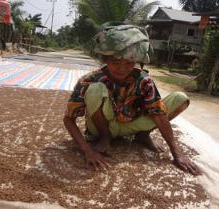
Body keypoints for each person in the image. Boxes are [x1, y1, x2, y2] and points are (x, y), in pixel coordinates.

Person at [63, 25, 202, 175]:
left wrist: (178, 154)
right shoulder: (90, 80)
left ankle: (142, 136)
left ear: (136, 61)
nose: (122, 69)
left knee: (181, 98)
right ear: (105, 60)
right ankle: (105, 138)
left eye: (129, 63)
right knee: (96, 89)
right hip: (101, 127)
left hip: (129, 124)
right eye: (116, 63)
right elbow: (68, 119)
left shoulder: (144, 80)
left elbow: (159, 116)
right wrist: (87, 151)